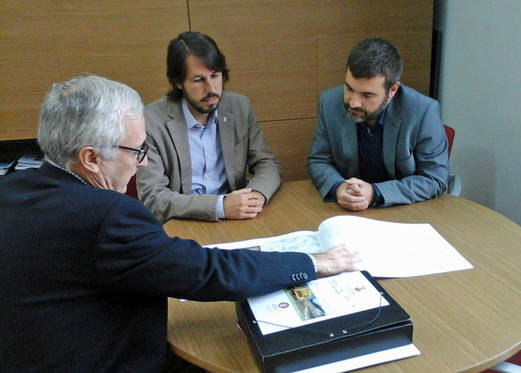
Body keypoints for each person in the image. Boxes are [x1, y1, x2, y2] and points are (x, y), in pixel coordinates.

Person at [0, 75, 358, 372]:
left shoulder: (11, 186)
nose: (142, 164)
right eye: (138, 151)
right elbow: (208, 272)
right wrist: (314, 262)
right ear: (91, 158)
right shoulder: (107, 216)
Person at [136, 31, 280, 223]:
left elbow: (267, 164)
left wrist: (255, 197)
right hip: (182, 223)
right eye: (198, 80)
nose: (211, 88)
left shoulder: (239, 107)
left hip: (235, 220)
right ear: (178, 82)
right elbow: (153, 197)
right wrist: (220, 206)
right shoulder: (151, 121)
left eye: (215, 76)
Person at [307, 38, 449, 211]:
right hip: (347, 213)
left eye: (367, 95)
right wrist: (337, 187)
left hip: (402, 211)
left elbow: (434, 179)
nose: (353, 103)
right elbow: (319, 160)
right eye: (349, 89)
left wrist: (375, 192)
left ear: (393, 90)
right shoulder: (329, 102)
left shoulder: (423, 111)